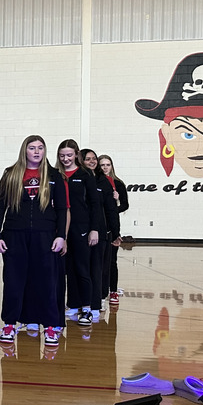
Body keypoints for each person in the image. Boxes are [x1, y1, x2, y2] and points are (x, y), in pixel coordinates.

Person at [0, 135, 68, 348]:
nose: (36, 152)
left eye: (40, 148)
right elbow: (0, 207)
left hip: (45, 236)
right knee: (14, 281)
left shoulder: (54, 175)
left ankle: (51, 327)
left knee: (46, 283)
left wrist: (61, 235)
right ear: (24, 150)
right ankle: (9, 324)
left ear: (45, 151)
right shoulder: (11, 174)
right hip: (15, 235)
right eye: (32, 148)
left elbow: (62, 209)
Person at [56, 140, 100, 326]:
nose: (66, 159)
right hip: (60, 229)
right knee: (67, 269)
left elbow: (95, 204)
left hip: (81, 228)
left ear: (76, 155)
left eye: (69, 155)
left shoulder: (85, 175)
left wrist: (94, 229)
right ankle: (72, 304)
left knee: (82, 268)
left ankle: (87, 308)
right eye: (62, 155)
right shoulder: (55, 175)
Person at [81, 148, 121, 315]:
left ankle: (100, 298)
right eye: (88, 159)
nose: (92, 162)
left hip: (102, 231)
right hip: (81, 230)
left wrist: (115, 231)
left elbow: (111, 209)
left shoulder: (103, 181)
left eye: (94, 159)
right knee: (82, 268)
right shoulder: (77, 179)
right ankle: (80, 301)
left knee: (101, 267)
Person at [99, 154, 129, 305]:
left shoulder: (118, 183)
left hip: (112, 224)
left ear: (112, 166)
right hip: (99, 225)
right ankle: (100, 291)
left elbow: (125, 205)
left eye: (107, 165)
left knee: (112, 261)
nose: (105, 167)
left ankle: (113, 291)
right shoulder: (95, 182)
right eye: (102, 165)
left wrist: (114, 204)